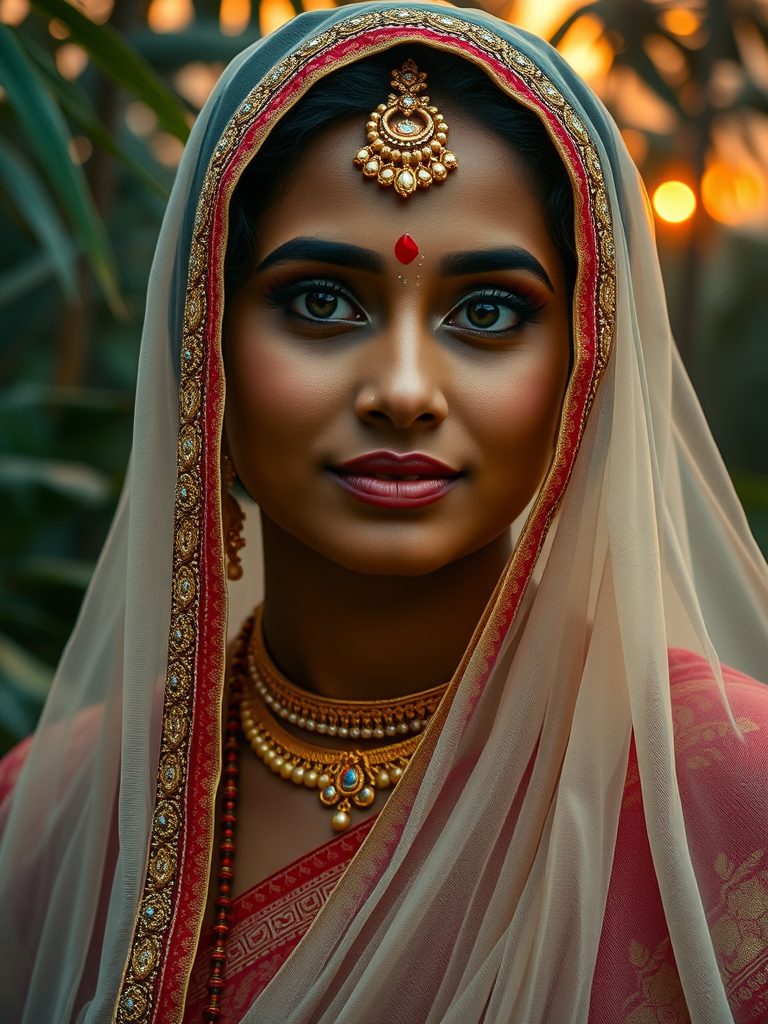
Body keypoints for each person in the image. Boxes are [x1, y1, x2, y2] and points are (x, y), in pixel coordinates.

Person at [1, 3, 767, 1023]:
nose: (404, 388)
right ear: (205, 344)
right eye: (321, 301)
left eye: (488, 311)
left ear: (586, 362)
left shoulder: (721, 796)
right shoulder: (55, 815)